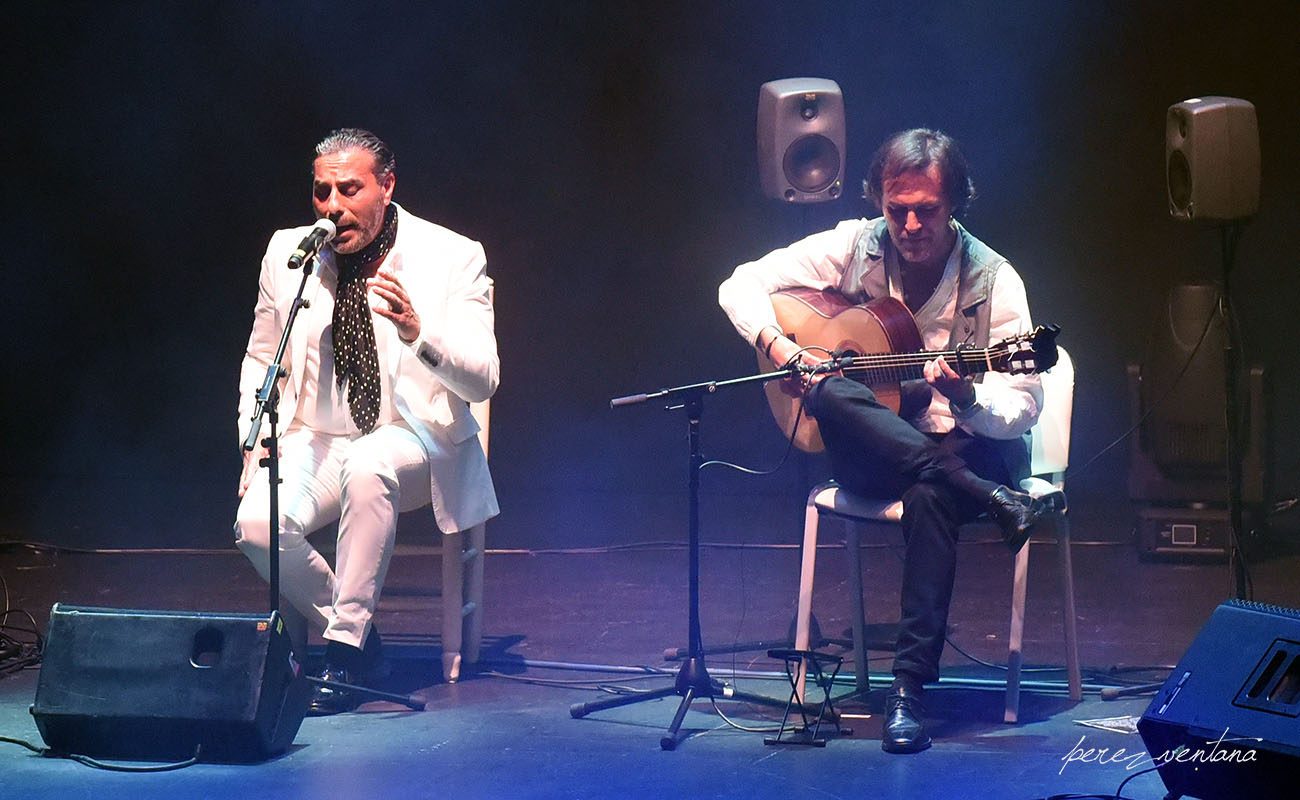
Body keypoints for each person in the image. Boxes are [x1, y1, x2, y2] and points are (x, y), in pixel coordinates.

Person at [718, 128, 1047, 753]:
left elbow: (1025, 406)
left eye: (928, 209)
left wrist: (969, 396)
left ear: (956, 205)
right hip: (879, 455)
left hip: (965, 448)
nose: (912, 223)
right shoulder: (854, 246)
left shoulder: (995, 280)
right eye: (898, 210)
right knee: (833, 390)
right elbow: (737, 284)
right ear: (879, 202)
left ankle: (907, 696)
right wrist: (783, 348)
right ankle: (983, 495)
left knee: (931, 495)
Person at [234, 128, 499, 715]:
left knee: (370, 461)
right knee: (256, 525)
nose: (332, 207)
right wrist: (257, 442)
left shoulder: (453, 255)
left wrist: (418, 332)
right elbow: (261, 358)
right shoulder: (289, 253)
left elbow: (483, 378)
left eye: (349, 190)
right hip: (314, 436)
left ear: (386, 186)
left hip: (412, 437)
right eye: (322, 191)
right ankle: (358, 635)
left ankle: (344, 655)